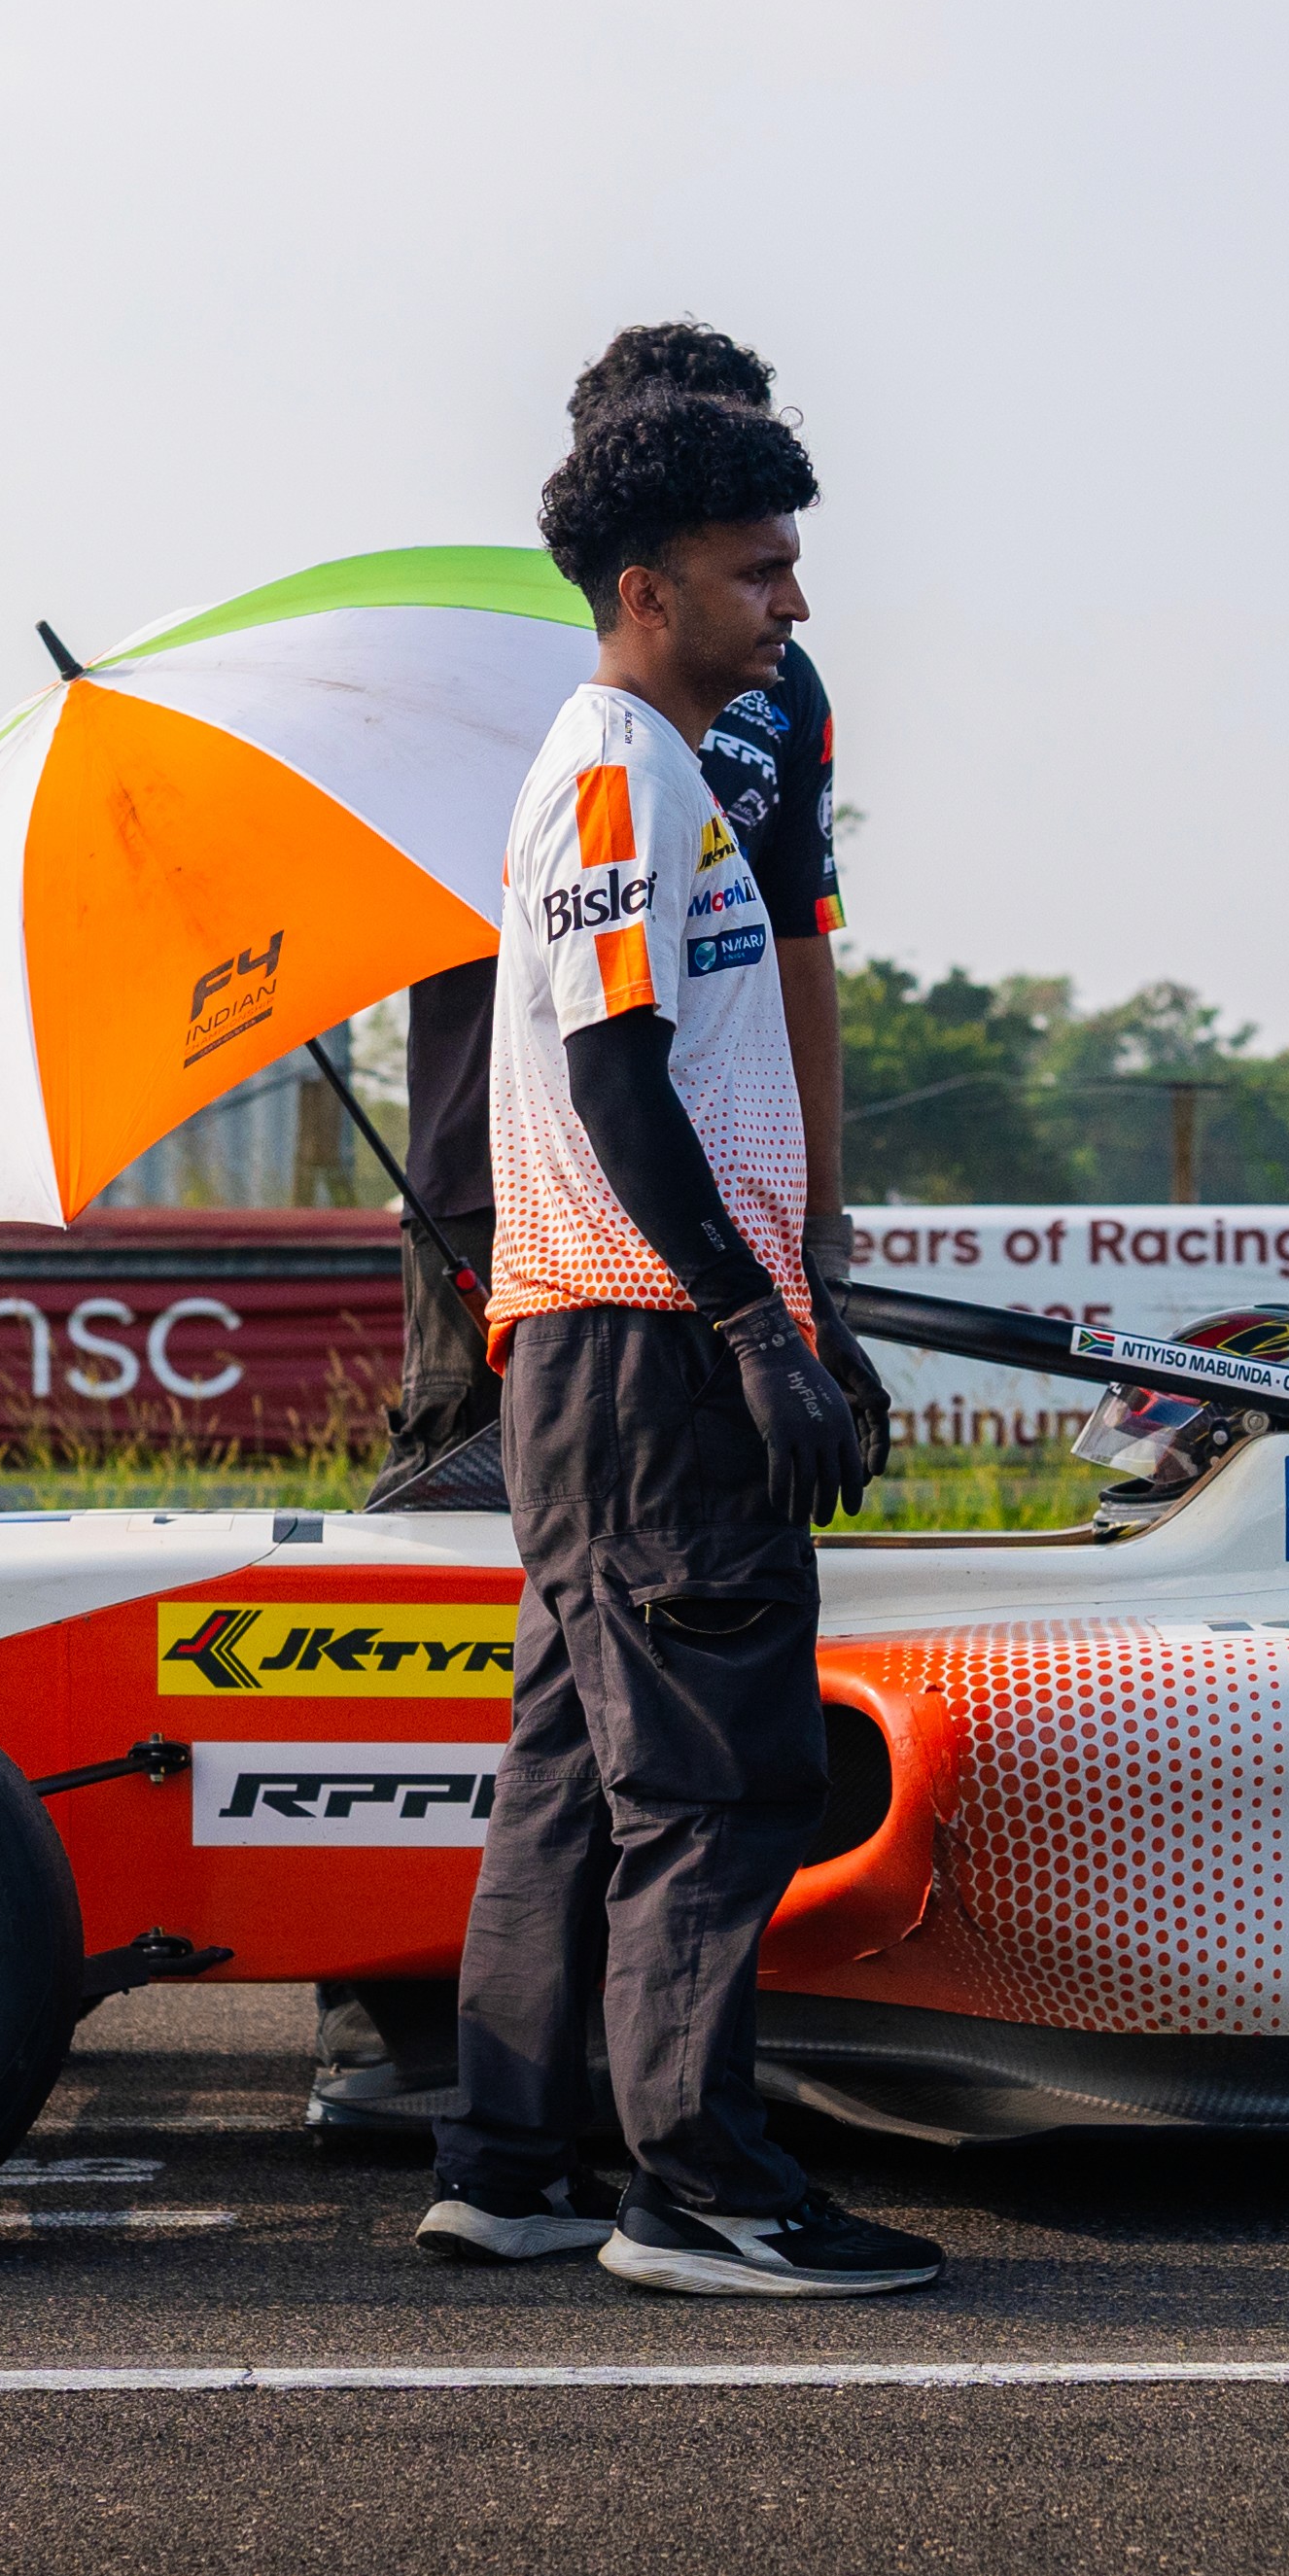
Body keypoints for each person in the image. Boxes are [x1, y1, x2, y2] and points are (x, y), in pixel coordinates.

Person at [406, 385, 945, 2298]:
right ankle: (696, 2183)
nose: (792, 603)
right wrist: (755, 1323)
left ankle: (512, 2158)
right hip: (643, 1346)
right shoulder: (627, 765)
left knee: (574, 1761)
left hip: (587, 1346)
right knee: (713, 1778)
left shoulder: (628, 757)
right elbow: (621, 1076)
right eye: (758, 569)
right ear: (648, 589)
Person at [366, 323, 861, 1512]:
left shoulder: (773, 675)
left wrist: (819, 1229)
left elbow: (798, 944)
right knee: (462, 1531)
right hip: (502, 1192)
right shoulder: (462, 651)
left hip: (711, 1190)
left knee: (687, 1549)